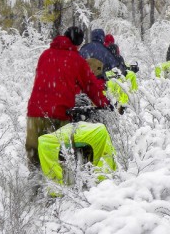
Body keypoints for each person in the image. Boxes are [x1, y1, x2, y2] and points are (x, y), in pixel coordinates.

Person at [25, 26, 110, 171]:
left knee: (36, 156)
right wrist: (105, 104)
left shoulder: (45, 54)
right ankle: (58, 191)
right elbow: (91, 87)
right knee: (59, 158)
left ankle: (34, 188)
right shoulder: (76, 60)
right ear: (78, 44)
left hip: (35, 113)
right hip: (59, 114)